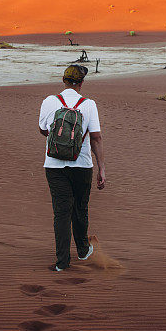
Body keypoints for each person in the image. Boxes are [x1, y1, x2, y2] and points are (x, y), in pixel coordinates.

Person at [38, 64, 106, 271]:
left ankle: (62, 263)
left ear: (63, 80)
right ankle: (83, 251)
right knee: (80, 208)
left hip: (54, 165)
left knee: (61, 212)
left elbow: (43, 130)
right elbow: (96, 138)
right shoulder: (89, 104)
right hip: (82, 165)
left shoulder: (50, 101)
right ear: (82, 83)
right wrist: (101, 168)